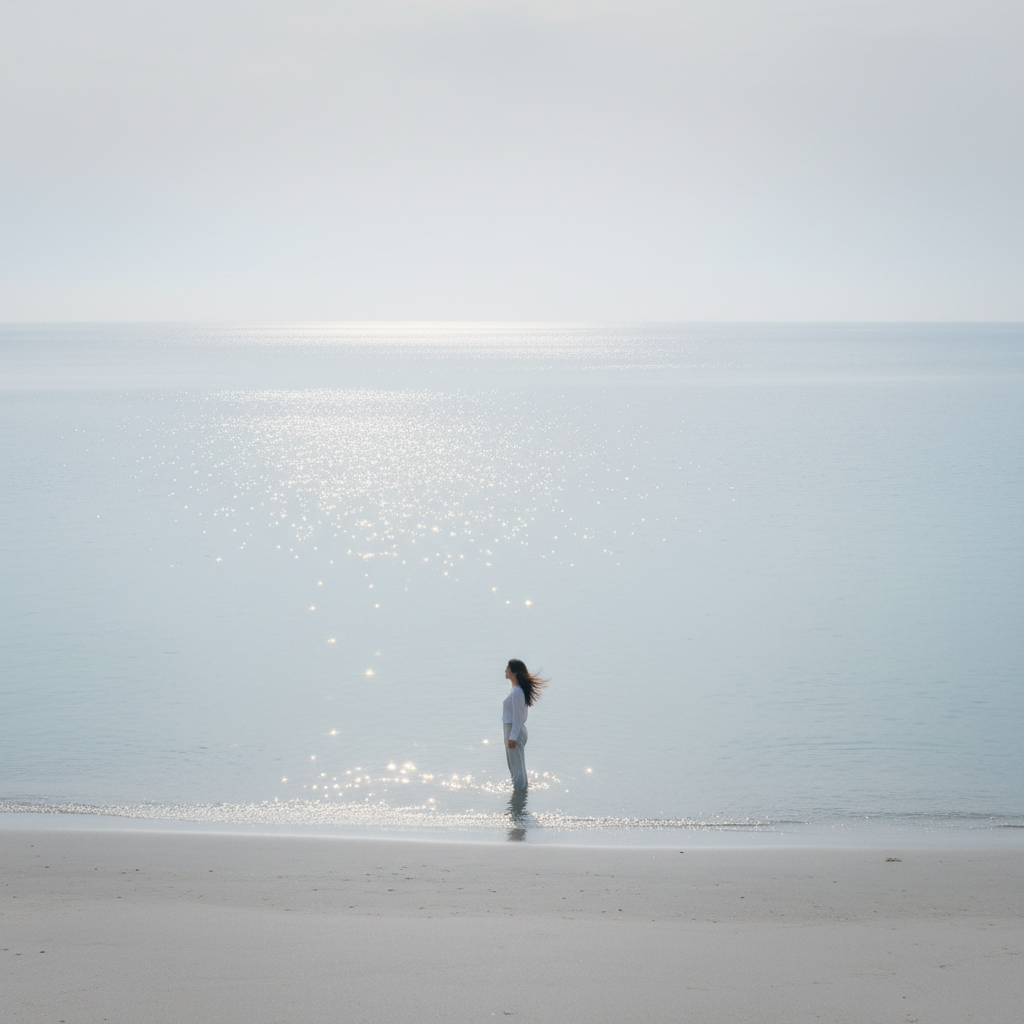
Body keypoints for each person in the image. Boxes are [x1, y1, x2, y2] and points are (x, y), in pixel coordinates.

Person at [502, 659, 548, 792]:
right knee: (514, 766)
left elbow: (517, 718)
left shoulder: (517, 692)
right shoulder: (515, 690)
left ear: (515, 672)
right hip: (512, 730)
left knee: (517, 768)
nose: (505, 670)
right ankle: (518, 792)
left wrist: (512, 738)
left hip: (514, 730)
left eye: (508, 668)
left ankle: (520, 795)